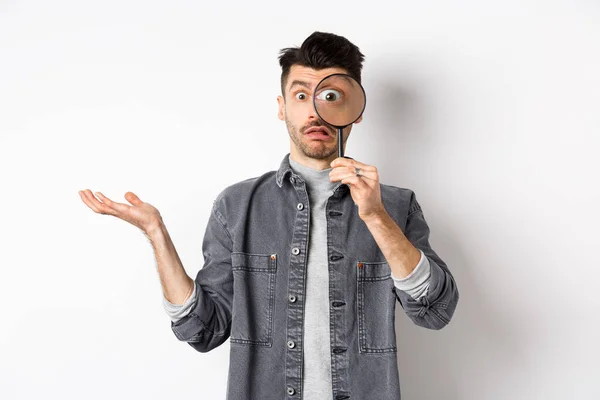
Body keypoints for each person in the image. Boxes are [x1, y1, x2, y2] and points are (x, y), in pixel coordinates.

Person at [78, 31, 459, 400]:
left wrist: (376, 217)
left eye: (331, 96)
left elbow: (436, 311)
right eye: (301, 95)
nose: (315, 111)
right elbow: (204, 330)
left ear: (355, 110)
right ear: (281, 107)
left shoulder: (396, 206)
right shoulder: (237, 206)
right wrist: (157, 234)